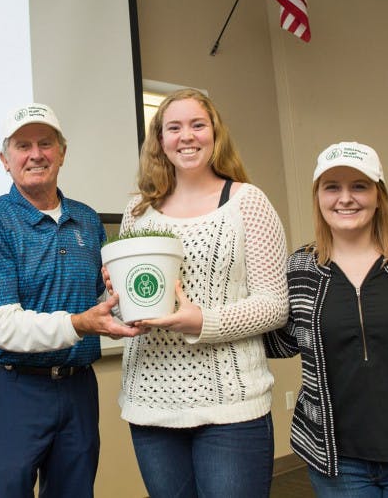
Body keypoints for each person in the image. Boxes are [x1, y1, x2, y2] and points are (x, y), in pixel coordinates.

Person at [113, 88, 289, 498]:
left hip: (230, 407)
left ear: (215, 134)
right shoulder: (136, 211)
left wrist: (203, 322)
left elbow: (274, 305)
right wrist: (118, 301)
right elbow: (132, 300)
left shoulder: (247, 202)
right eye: (173, 127)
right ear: (160, 140)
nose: (186, 136)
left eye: (197, 125)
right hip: (150, 405)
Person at [0, 102, 141, 498]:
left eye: (46, 143)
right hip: (8, 389)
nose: (35, 153)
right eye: (23, 145)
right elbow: (3, 327)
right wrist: (80, 324)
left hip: (76, 389)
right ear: (5, 160)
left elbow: (107, 301)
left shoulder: (88, 220)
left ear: (62, 152)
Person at [264, 142, 388, 496]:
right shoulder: (300, 268)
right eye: (332, 187)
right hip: (339, 463)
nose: (346, 198)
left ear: (379, 194)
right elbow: (280, 340)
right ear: (318, 196)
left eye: (359, 186)